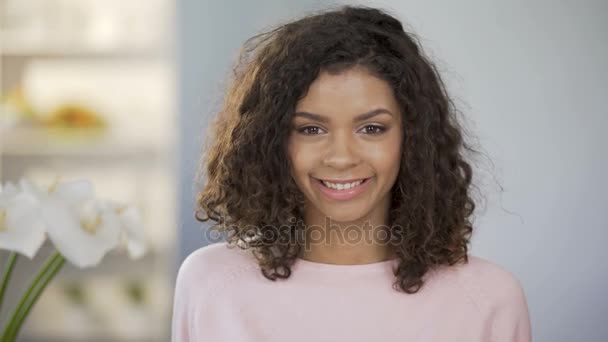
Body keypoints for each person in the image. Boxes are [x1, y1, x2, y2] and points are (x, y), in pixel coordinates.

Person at [171, 5, 532, 342]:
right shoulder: (212, 284)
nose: (341, 158)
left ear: (414, 140)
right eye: (311, 129)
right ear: (271, 143)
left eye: (372, 128)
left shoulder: (488, 302)